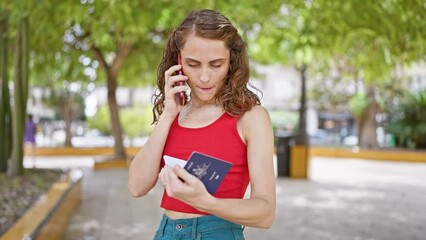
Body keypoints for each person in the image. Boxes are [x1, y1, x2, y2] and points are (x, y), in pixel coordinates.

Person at [128, 9, 276, 240]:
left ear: (231, 62)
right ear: (178, 62)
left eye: (216, 64)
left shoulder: (251, 117)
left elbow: (265, 213)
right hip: (166, 233)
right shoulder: (174, 113)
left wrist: (206, 202)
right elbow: (137, 187)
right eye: (193, 64)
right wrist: (167, 116)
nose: (204, 77)